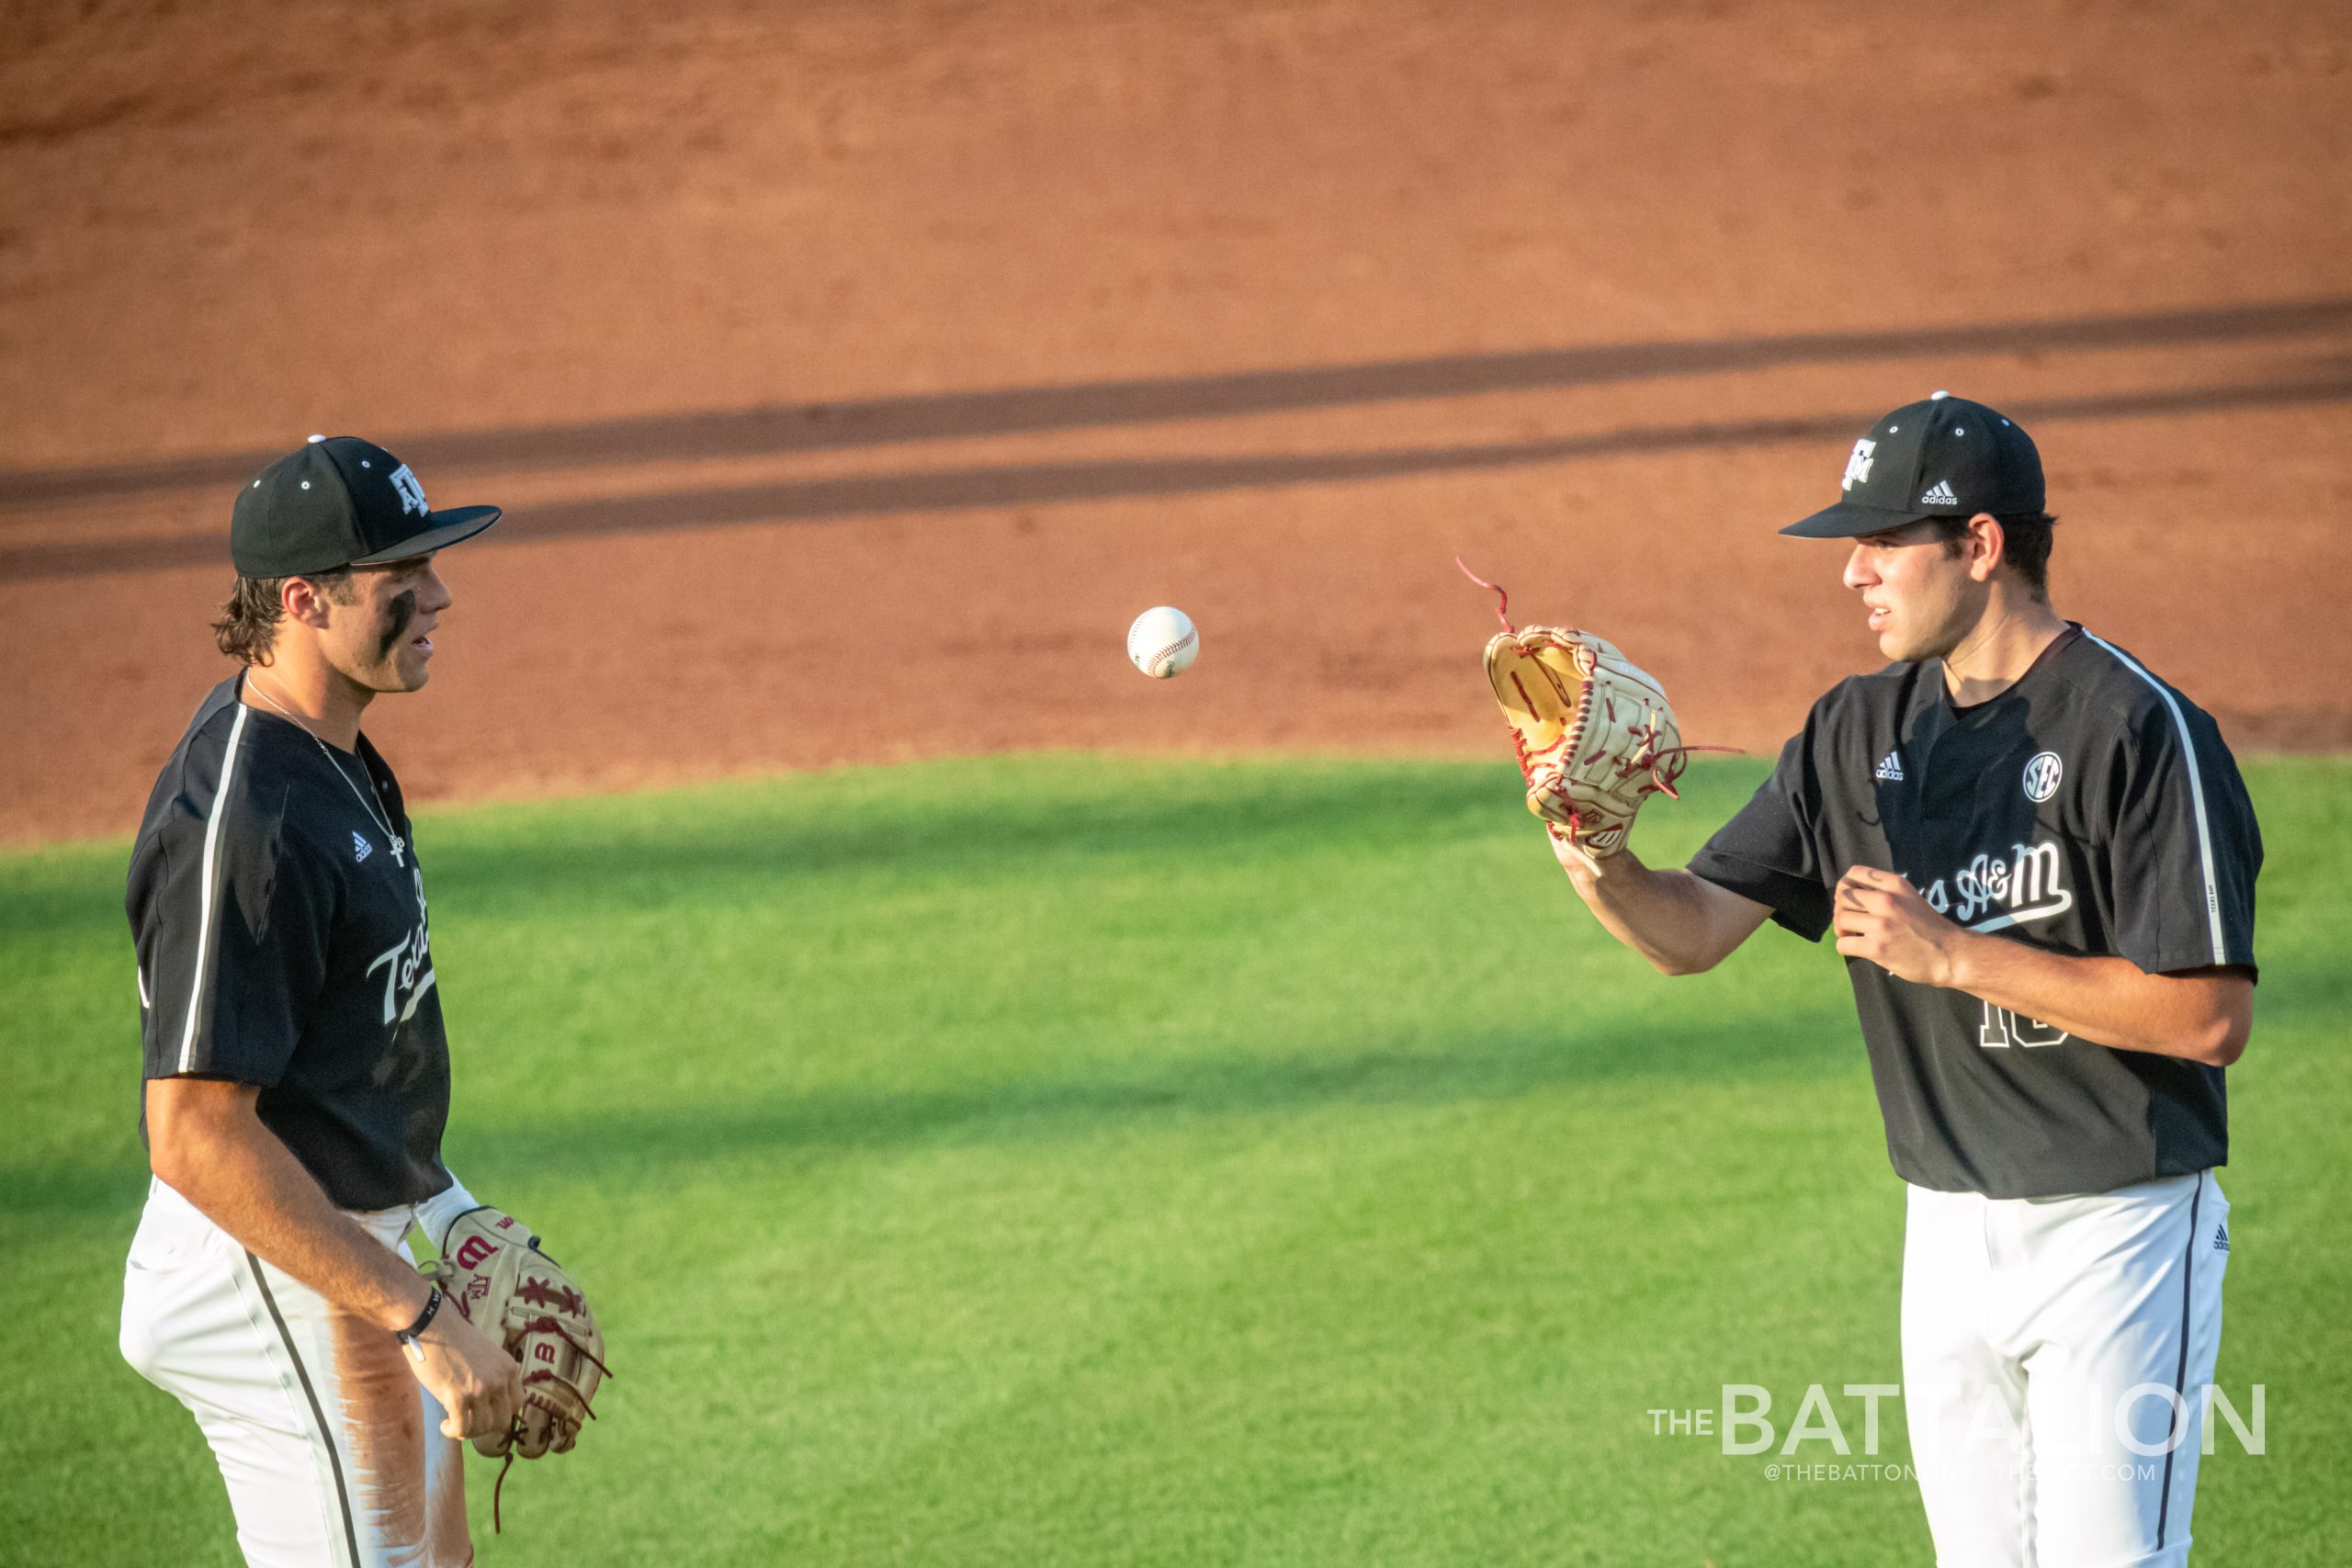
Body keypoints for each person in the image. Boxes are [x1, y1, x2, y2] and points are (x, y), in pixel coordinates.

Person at [1555, 394, 2258, 1565]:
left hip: (2117, 1229)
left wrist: (1956, 955)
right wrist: (1596, 853)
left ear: (1981, 547)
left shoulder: (2135, 728)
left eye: (1884, 544)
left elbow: (2206, 1017)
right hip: (1943, 1231)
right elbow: (1686, 932)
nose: (1854, 574)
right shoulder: (1851, 731)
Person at [121, 434, 521, 1567]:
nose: (439, 593)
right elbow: (194, 1134)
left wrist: (448, 1214)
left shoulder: (339, 755)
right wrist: (420, 1313)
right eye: (404, 577)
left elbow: (346, 1055)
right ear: (303, 598)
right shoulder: (243, 823)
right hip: (279, 1272)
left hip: (350, 1242)